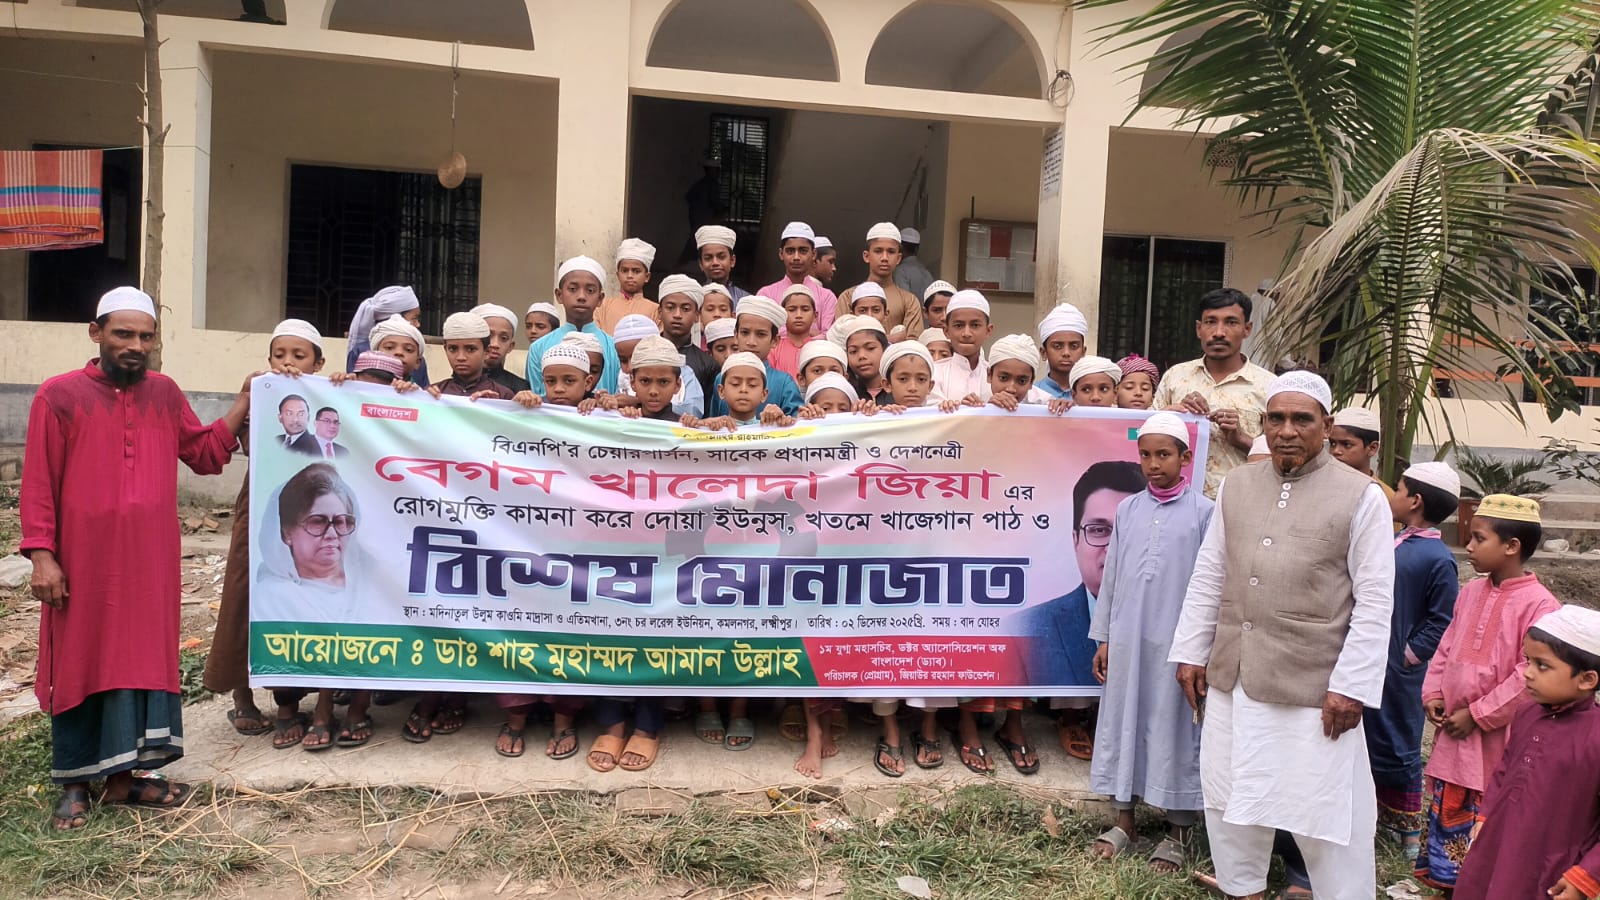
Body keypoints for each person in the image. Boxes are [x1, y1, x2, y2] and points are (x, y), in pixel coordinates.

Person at [24, 286, 249, 829]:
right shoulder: (58, 396)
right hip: (82, 562)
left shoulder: (164, 394)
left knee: (139, 659)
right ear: (96, 333)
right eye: (124, 334)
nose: (136, 346)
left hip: (151, 563)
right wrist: (42, 556)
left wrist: (246, 400)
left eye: (146, 337)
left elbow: (205, 454)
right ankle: (75, 784)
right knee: (81, 659)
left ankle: (124, 782)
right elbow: (38, 482)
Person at [1169, 370, 1395, 900]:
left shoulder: (1362, 496)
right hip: (1234, 676)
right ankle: (1241, 888)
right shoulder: (1237, 486)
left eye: (1301, 419)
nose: (1287, 430)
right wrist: (1191, 652)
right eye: (1276, 418)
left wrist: (1352, 686)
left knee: (1323, 811)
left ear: (1326, 426)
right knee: (1230, 797)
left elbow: (1375, 600)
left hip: (1314, 688)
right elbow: (1210, 574)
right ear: (1263, 422)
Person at [1416, 492, 1559, 894]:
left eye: (1479, 538)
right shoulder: (1470, 593)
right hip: (1453, 735)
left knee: (1490, 827)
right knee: (1448, 823)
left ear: (1511, 546)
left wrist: (1478, 714)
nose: (1469, 546)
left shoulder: (1541, 606)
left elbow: (1527, 675)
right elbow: (1446, 646)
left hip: (1498, 740)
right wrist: (1433, 692)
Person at [1088, 412, 1210, 875]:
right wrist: (1104, 637)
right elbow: (1113, 577)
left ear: (1185, 457)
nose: (1154, 464)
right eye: (1146, 455)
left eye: (1164, 455)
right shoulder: (1128, 510)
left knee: (1177, 725)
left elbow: (1209, 586)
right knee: (1124, 719)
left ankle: (1178, 830)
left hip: (1178, 644)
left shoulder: (1205, 514)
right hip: (1129, 637)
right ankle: (1125, 821)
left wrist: (1198, 649)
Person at [204, 319, 325, 743]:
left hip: (305, 510)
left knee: (294, 594)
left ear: (318, 363)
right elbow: (240, 439)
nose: (288, 363)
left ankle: (287, 699)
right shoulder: (261, 393)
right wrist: (249, 394)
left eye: (299, 356)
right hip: (258, 504)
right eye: (280, 355)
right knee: (246, 591)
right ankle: (242, 695)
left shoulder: (327, 397)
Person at [1452, 605, 1600, 900]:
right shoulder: (1526, 713)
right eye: (1528, 661)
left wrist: (1587, 874)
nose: (1528, 673)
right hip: (1495, 845)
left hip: (1550, 867)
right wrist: (1485, 816)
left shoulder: (1595, 736)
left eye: (1542, 666)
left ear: (1587, 680)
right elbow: (1505, 770)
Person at [1370, 462, 1461, 859]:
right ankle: (1373, 818)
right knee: (1371, 733)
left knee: (1399, 740)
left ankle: (1408, 830)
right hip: (1375, 661)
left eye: (1400, 488)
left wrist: (1408, 655)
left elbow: (1443, 618)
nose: (1394, 495)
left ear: (1416, 501)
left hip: (1399, 670)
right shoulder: (1396, 542)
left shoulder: (1437, 557)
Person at [253, 463, 374, 749]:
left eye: (342, 522)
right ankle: (291, 709)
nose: (332, 534)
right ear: (287, 532)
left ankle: (353, 710)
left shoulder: (367, 581)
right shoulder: (271, 593)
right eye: (318, 522)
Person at [1154, 288, 1275, 498]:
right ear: (1198, 328)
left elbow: (1284, 457)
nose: (1219, 332)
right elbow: (1136, 437)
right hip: (1175, 503)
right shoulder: (1175, 377)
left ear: (1247, 329)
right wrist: (1168, 415)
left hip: (1240, 503)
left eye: (1231, 322)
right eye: (1210, 322)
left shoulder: (1269, 386)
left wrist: (1242, 439)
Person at [526, 256, 623, 396]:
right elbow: (537, 398)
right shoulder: (538, 348)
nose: (581, 296)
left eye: (590, 290)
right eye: (573, 289)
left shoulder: (614, 348)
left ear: (600, 298)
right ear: (559, 295)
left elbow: (618, 396)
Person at [704, 295, 802, 418]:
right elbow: (714, 423)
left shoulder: (784, 382)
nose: (751, 342)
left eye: (760, 334)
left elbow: (799, 423)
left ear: (775, 341)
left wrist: (781, 419)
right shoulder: (722, 377)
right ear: (736, 335)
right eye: (745, 333)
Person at [834, 223, 925, 338]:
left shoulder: (909, 301)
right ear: (866, 256)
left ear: (898, 258)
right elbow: (840, 339)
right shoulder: (848, 297)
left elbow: (913, 342)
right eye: (878, 251)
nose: (884, 258)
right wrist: (891, 339)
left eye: (891, 252)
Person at [608, 314, 704, 418]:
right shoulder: (622, 377)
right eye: (623, 360)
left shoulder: (682, 373)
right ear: (633, 382)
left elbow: (692, 412)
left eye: (663, 382)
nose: (631, 366)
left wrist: (637, 403)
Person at [759, 221, 837, 335]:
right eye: (790, 251)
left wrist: (783, 333)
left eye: (803, 251)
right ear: (781, 254)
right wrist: (809, 332)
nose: (796, 257)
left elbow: (829, 338)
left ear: (813, 254)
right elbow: (761, 334)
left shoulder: (827, 297)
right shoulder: (766, 295)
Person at [655, 274, 719, 401]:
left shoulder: (708, 364)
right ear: (660, 312)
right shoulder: (644, 354)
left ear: (697, 316)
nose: (677, 315)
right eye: (670, 307)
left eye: (685, 309)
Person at [430, 312, 519, 402]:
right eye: (453, 349)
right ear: (445, 350)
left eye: (470, 349)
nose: (461, 357)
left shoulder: (503, 396)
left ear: (486, 352)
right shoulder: (433, 393)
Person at [344, 284, 425, 382]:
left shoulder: (414, 358)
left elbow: (422, 389)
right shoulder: (362, 351)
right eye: (389, 347)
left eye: (408, 349)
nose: (399, 353)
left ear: (417, 362)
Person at [931, 290, 992, 403]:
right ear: (946, 331)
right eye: (959, 326)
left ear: (988, 330)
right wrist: (961, 409)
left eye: (975, 325)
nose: (966, 333)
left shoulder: (997, 377)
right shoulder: (933, 374)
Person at [1329, 406, 1396, 506]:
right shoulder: (1320, 486)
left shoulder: (1385, 496)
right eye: (1333, 444)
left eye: (1347, 445)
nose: (1336, 451)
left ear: (1372, 448)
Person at [594, 238, 657, 335]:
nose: (630, 275)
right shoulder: (602, 306)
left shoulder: (656, 310)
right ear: (618, 275)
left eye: (636, 271)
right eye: (625, 271)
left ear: (647, 277)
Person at [471, 303, 530, 393]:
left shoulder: (520, 388)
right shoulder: (453, 386)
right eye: (488, 335)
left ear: (510, 346)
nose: (495, 344)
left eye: (503, 338)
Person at [1036, 303, 1090, 399]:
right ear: (1043, 353)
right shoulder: (1030, 395)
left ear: (1083, 352)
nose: (1066, 353)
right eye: (1057, 346)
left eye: (1074, 346)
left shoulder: (1094, 397)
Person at [768, 283, 819, 378]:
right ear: (782, 314)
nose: (798, 315)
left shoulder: (821, 348)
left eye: (805, 309)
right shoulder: (773, 349)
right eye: (792, 310)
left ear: (815, 316)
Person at [695, 225, 750, 306]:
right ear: (701, 264)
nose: (715, 262)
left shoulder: (746, 300)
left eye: (721, 257)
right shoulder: (693, 298)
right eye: (708, 258)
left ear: (732, 261)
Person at [892, 226, 934, 302]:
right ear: (917, 249)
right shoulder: (927, 272)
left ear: (900, 248)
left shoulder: (900, 271)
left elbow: (904, 302)